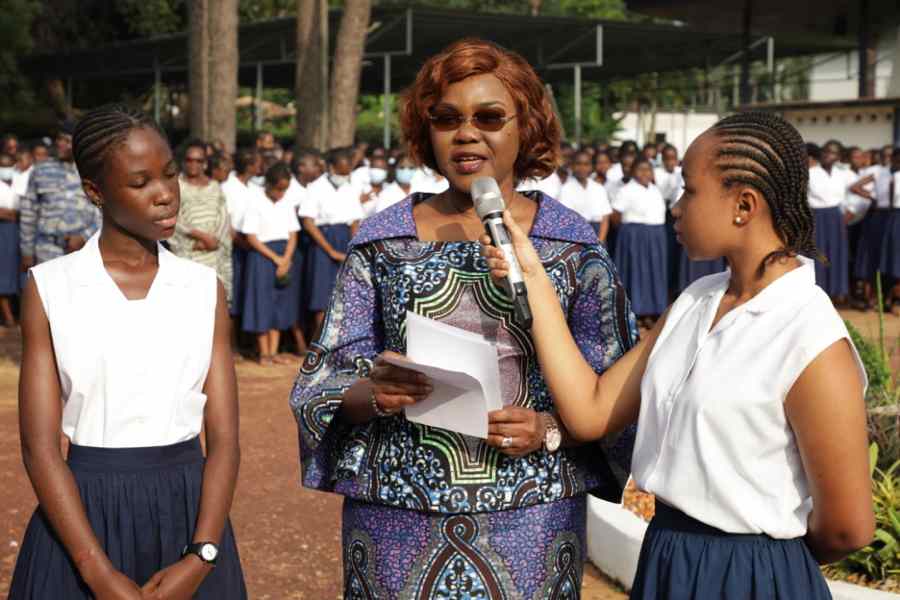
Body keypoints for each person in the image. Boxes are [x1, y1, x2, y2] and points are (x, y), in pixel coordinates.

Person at [290, 38, 636, 599]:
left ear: (527, 126)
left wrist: (548, 428)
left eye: (489, 117)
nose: (466, 133)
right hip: (397, 513)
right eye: (446, 118)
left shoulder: (572, 245)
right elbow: (322, 382)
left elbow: (619, 393)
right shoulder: (383, 239)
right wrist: (374, 392)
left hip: (531, 513)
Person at [482, 111, 873, 600]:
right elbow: (591, 410)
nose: (676, 206)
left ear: (743, 205)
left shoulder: (810, 336)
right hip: (667, 557)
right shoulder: (696, 301)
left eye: (689, 190)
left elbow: (848, 528)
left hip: (753, 574)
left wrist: (756, 560)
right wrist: (533, 277)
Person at [8, 104, 247, 599]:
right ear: (95, 192)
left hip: (190, 516)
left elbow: (223, 441)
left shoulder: (203, 288)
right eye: (140, 183)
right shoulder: (51, 287)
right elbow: (39, 446)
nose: (165, 195)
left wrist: (202, 555)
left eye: (170, 174)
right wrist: (95, 569)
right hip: (81, 521)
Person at [298, 147, 363, 337]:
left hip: (345, 238)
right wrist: (330, 250)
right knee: (321, 296)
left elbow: (354, 221)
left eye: (347, 172)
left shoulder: (350, 188)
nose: (344, 176)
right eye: (340, 172)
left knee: (345, 293)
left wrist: (353, 246)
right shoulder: (316, 187)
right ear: (331, 168)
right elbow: (308, 222)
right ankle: (320, 341)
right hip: (322, 240)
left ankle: (340, 340)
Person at [240, 162, 301, 364]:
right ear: (269, 184)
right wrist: (275, 258)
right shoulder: (254, 201)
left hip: (284, 254)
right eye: (278, 189)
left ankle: (274, 352)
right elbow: (251, 237)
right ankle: (263, 352)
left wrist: (286, 259)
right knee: (261, 301)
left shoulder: (287, 203)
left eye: (284, 189)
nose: (281, 193)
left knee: (280, 302)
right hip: (262, 256)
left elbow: (293, 234)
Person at [19, 123, 101, 267]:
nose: (60, 144)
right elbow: (29, 212)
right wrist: (26, 252)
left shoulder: (91, 171)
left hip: (83, 250)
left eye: (66, 140)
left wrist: (84, 236)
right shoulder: (41, 170)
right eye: (59, 139)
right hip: (47, 250)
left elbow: (104, 210)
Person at [169, 140, 233, 307]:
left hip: (214, 253)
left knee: (215, 304)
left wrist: (214, 240)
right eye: (190, 160)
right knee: (192, 303)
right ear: (183, 161)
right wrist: (200, 236)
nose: (194, 164)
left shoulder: (214, 186)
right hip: (191, 250)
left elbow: (223, 217)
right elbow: (173, 218)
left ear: (205, 163)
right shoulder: (176, 186)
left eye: (199, 161)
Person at [611, 156, 668, 326]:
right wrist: (628, 235)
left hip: (656, 234)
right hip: (635, 236)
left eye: (648, 169)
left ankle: (653, 310)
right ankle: (637, 311)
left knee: (654, 273)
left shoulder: (654, 189)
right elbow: (615, 215)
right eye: (640, 169)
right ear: (633, 171)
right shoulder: (626, 190)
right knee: (637, 272)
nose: (645, 173)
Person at [221, 148, 261, 330]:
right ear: (249, 166)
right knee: (234, 292)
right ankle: (232, 341)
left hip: (253, 242)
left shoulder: (256, 188)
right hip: (236, 243)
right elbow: (227, 221)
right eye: (257, 162)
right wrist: (240, 243)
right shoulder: (227, 187)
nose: (261, 165)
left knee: (248, 290)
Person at [850, 146, 893, 310]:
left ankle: (889, 299)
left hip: (893, 216)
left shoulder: (895, 171)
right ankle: (870, 299)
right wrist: (872, 197)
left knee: (889, 259)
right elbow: (855, 187)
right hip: (877, 216)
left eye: (891, 155)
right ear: (880, 157)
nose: (888, 158)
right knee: (873, 257)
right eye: (885, 155)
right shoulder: (877, 171)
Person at [558, 149, 612, 242]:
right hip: (575, 233)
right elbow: (565, 219)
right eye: (578, 164)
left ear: (591, 166)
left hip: (597, 232)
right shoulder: (565, 189)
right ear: (572, 166)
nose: (582, 168)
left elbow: (605, 218)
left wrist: (600, 241)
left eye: (586, 164)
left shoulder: (599, 188)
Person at [879, 148, 900, 315]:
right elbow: (893, 203)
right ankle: (889, 299)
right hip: (895, 217)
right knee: (893, 260)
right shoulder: (893, 177)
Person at [0, 159, 19, 325]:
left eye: (8, 165)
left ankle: (18, 313)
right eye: (2, 166)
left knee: (19, 271)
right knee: (4, 272)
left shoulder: (20, 180)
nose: (6, 169)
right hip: (4, 231)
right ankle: (8, 317)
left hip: (22, 230)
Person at [359, 154, 390, 218]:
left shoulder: (390, 189)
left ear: (387, 171)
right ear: (369, 168)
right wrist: (359, 202)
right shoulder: (360, 188)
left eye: (381, 168)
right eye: (375, 167)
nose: (378, 171)